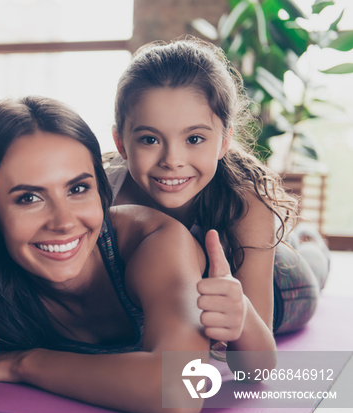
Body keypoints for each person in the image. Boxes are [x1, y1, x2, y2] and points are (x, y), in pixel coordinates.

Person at [0, 95, 211, 413]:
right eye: (29, 198)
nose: (64, 222)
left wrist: (25, 363)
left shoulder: (153, 240)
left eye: (77, 189)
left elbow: (181, 390)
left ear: (101, 190)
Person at [106, 38, 330, 365]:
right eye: (150, 139)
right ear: (121, 143)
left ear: (224, 141)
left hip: (283, 283)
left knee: (310, 260)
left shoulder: (247, 204)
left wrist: (241, 316)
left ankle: (310, 243)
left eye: (194, 138)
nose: (172, 159)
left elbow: (257, 365)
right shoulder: (99, 190)